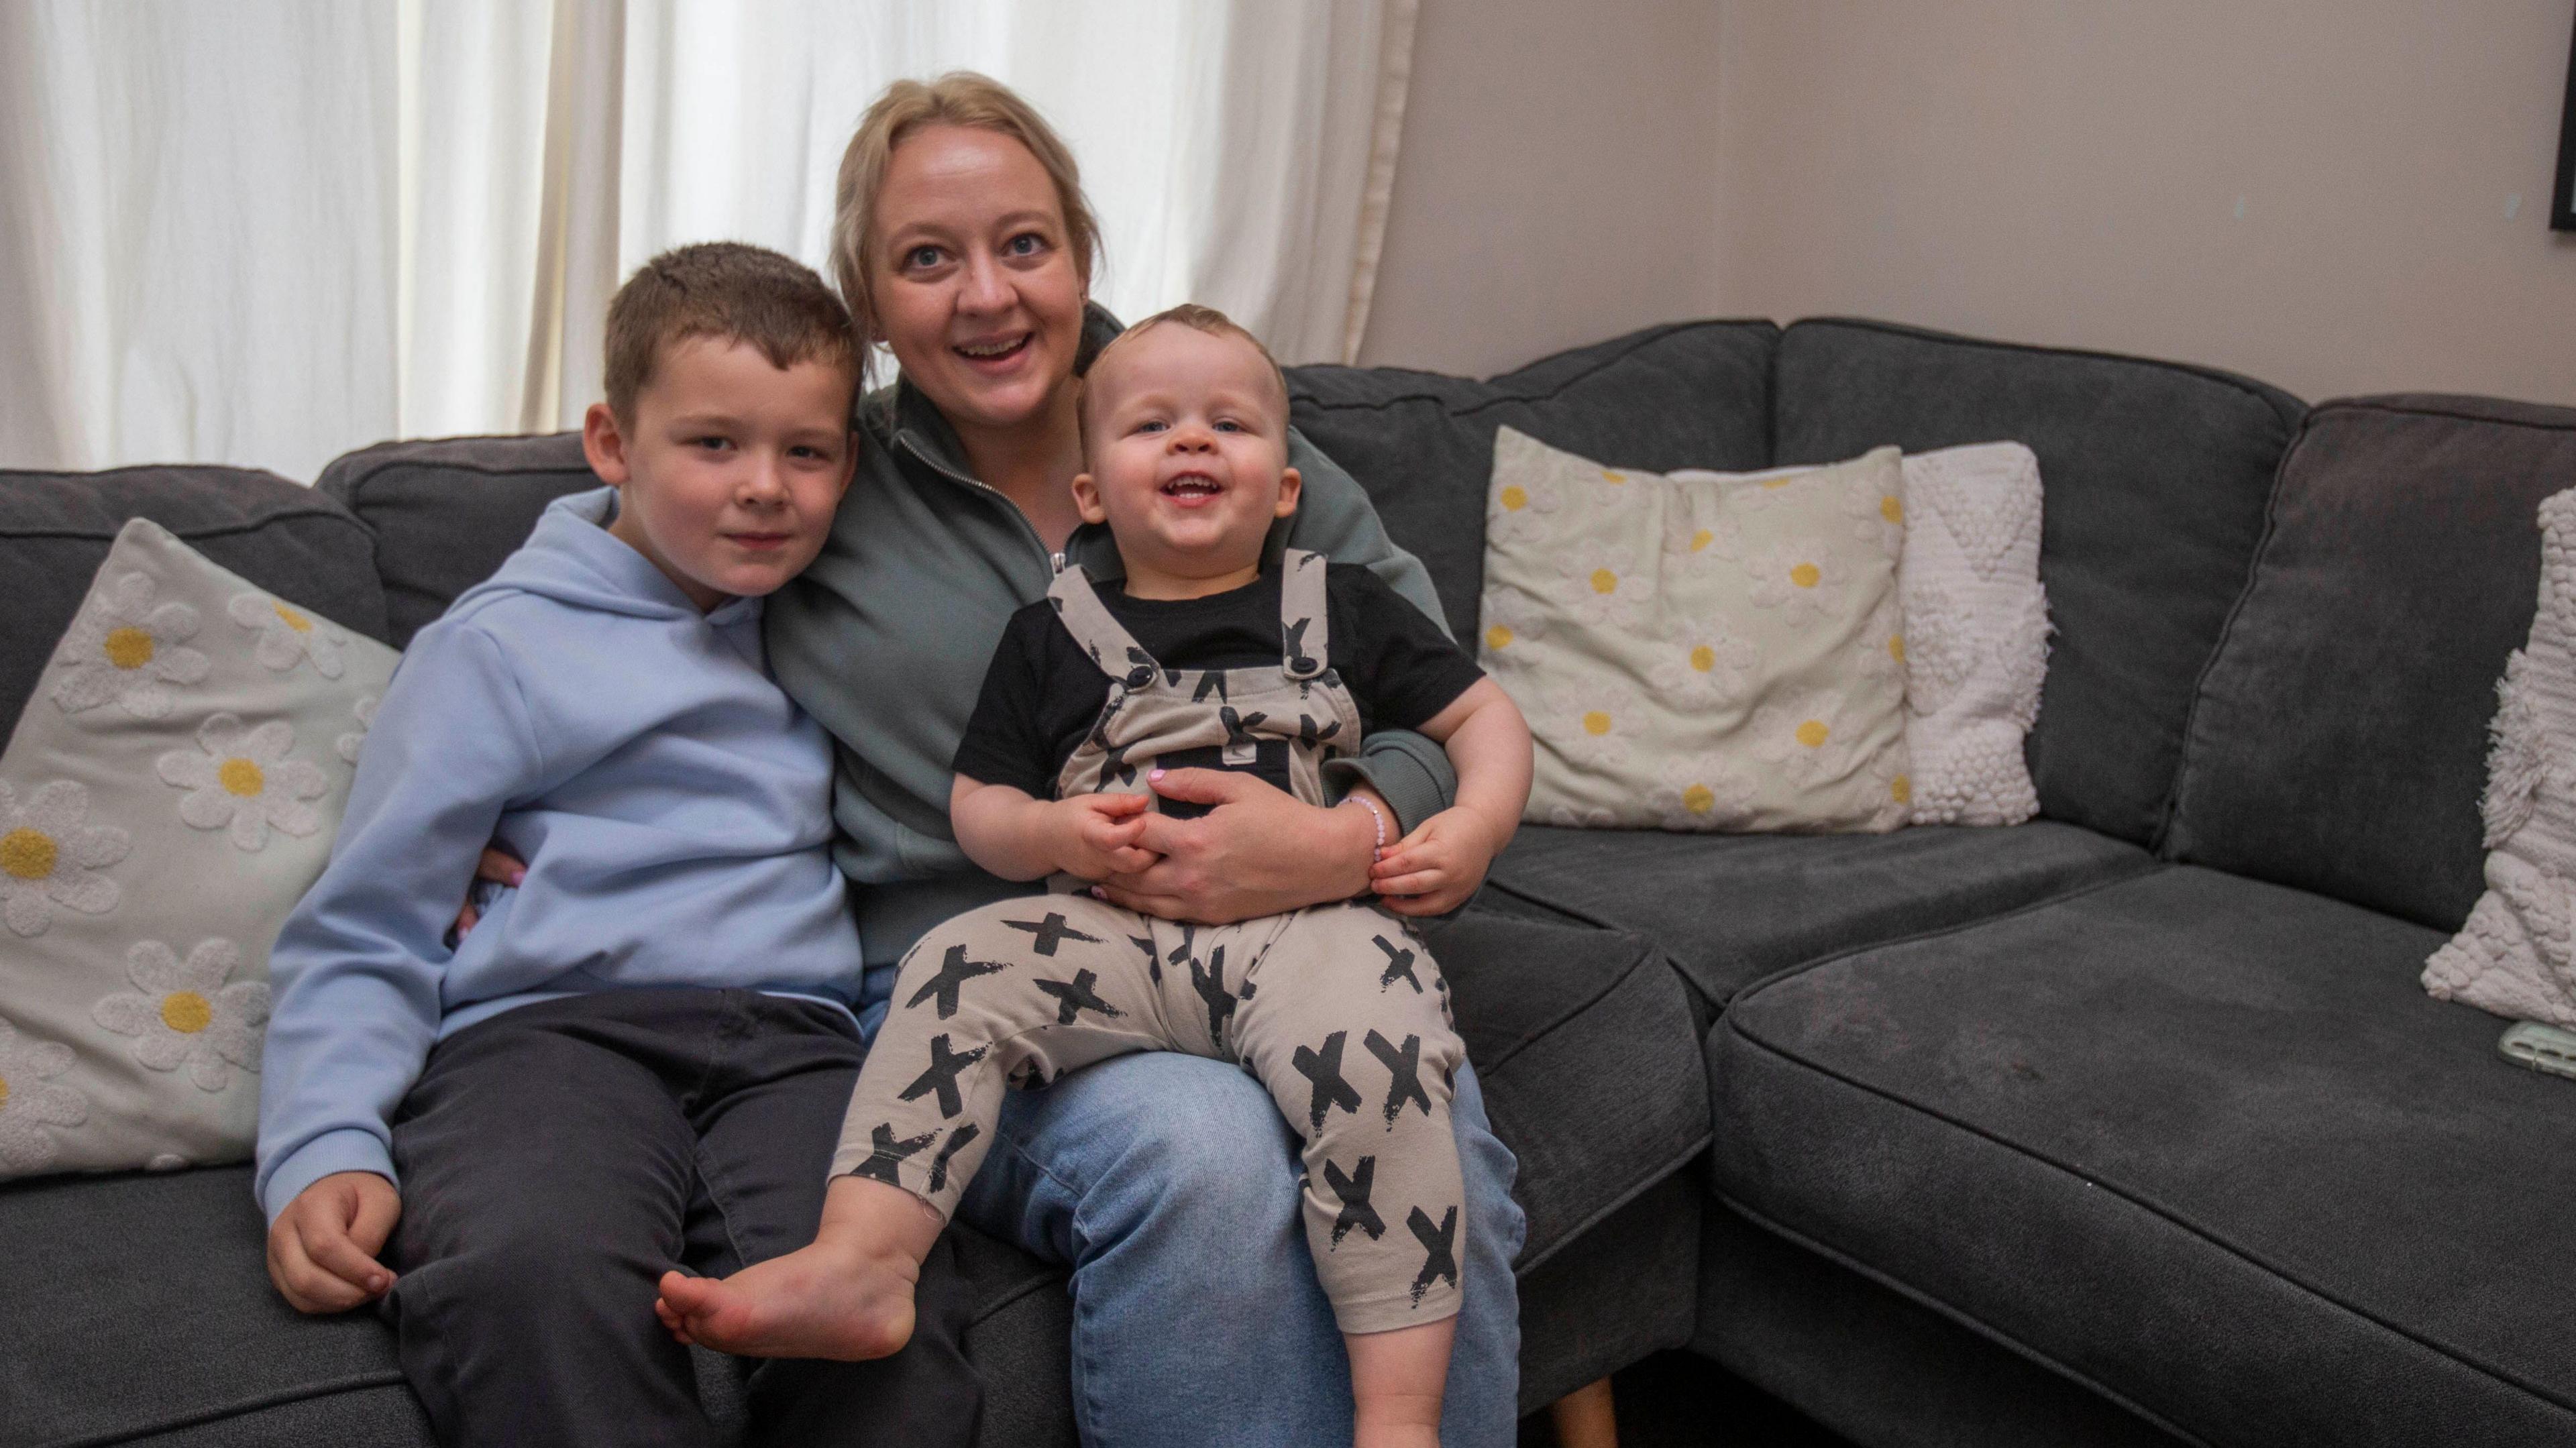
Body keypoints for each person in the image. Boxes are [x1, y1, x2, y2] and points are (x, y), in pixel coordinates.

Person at [655, 306, 1534, 1448]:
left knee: (1393, 1077)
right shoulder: (1051, 636)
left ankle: (1402, 1421)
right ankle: (863, 1263)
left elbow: (1485, 718)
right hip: (1115, 945)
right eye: (1152, 427)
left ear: (1285, 489)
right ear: (1090, 496)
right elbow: (981, 808)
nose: (1192, 441)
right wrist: (1054, 835)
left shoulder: (1341, 602)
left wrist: (1470, 829)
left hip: (1313, 933)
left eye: (1229, 425)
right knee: (955, 964)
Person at [255, 243, 979, 1448]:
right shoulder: (496, 651)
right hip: (544, 1033)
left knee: (874, 1304)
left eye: (806, 452)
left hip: (799, 1038)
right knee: (530, 1275)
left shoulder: (842, 631)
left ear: (848, 466)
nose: (765, 488)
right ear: (612, 443)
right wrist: (324, 1141)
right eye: (713, 444)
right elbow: (367, 925)